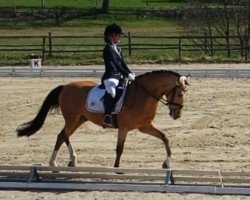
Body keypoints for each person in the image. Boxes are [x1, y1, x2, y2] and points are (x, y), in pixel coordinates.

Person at [101, 23, 135, 127]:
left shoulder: (118, 49)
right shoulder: (107, 49)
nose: (120, 38)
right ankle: (107, 116)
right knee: (112, 93)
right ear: (112, 35)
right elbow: (115, 64)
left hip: (120, 77)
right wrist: (126, 74)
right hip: (110, 77)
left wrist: (129, 72)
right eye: (119, 35)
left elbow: (122, 63)